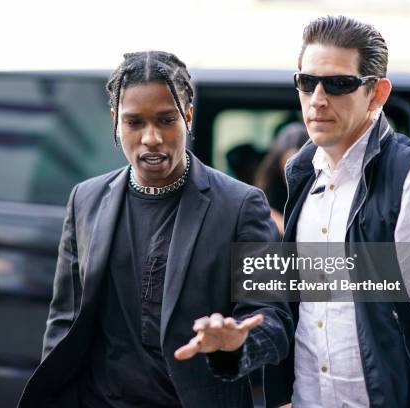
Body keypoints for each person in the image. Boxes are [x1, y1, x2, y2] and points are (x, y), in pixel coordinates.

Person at [17, 51, 293, 408]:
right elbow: (64, 323)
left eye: (166, 120)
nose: (151, 137)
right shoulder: (85, 199)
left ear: (188, 117)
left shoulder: (241, 205)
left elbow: (274, 321)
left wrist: (234, 342)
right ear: (116, 121)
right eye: (135, 122)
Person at [274, 15, 410, 407]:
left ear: (377, 93)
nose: (317, 98)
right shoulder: (303, 177)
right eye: (306, 82)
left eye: (338, 84)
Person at [254, 122, 309, 235]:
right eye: (287, 165)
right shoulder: (268, 185)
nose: (291, 172)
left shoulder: (318, 183)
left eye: (298, 167)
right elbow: (260, 208)